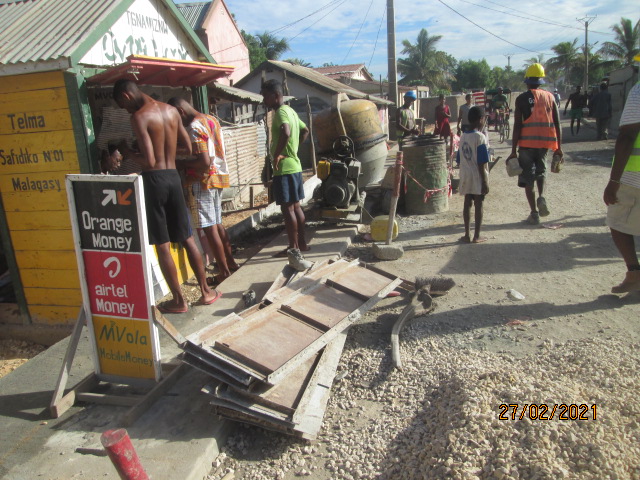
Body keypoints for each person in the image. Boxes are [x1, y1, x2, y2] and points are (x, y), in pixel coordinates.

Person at [112, 79, 220, 313]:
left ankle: (179, 301)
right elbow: (188, 148)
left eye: (123, 105)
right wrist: (167, 152)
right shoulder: (171, 110)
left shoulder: (139, 117)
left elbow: (149, 161)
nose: (125, 110)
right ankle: (205, 292)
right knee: (187, 237)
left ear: (126, 96)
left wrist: (129, 152)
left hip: (155, 181)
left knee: (162, 244)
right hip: (173, 177)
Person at [167, 97, 240, 287]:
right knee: (217, 224)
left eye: (177, 120)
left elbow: (204, 161)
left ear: (180, 112)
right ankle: (230, 263)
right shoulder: (210, 119)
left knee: (209, 227)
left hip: (203, 180)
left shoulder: (194, 127)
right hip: (217, 177)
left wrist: (179, 163)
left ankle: (223, 272)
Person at [260, 79, 312, 272]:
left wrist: (278, 153)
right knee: (296, 206)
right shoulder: (291, 111)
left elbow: (286, 131)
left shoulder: (281, 112)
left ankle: (293, 248)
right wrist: (294, 150)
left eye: (266, 96)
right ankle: (302, 244)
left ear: (275, 95)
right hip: (295, 165)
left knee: (287, 209)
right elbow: (304, 130)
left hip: (284, 168)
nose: (264, 100)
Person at [507, 63, 563, 225]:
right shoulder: (550, 97)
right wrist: (559, 147)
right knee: (542, 171)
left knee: (528, 178)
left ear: (527, 81)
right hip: (544, 143)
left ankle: (534, 213)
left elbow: (517, 125)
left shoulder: (522, 99)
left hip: (526, 145)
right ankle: (542, 197)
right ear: (540, 80)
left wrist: (513, 151)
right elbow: (557, 124)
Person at [603, 68, 640, 293]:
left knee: (617, 222)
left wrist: (613, 180)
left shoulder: (638, 92)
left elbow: (627, 136)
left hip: (634, 178)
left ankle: (635, 273)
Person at [456, 106, 489, 243]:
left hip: (465, 175)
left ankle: (466, 234)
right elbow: (482, 161)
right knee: (479, 204)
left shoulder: (463, 137)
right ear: (481, 119)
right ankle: (477, 235)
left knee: (467, 203)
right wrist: (484, 181)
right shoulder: (480, 137)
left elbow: (458, 159)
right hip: (477, 175)